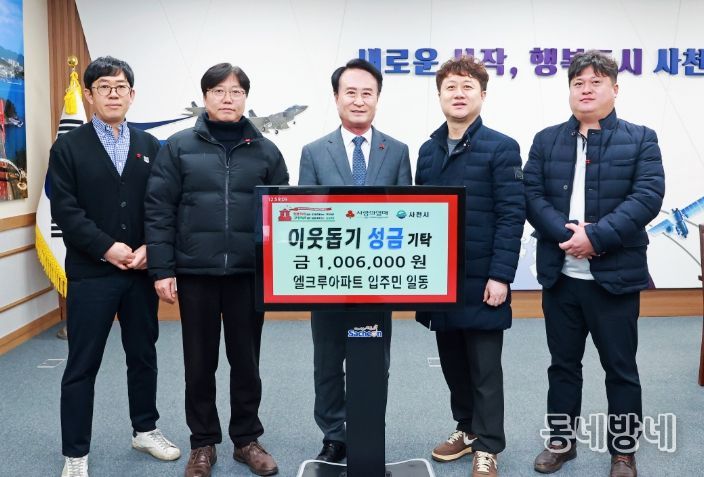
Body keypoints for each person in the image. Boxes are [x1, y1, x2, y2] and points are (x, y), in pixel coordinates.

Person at [523, 50, 665, 477]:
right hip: (561, 276)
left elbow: (647, 197)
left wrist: (596, 238)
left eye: (595, 81)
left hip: (614, 277)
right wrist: (567, 236)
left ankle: (623, 451)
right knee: (562, 366)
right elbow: (531, 195)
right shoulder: (546, 140)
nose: (585, 89)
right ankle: (561, 442)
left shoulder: (641, 138)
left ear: (614, 89)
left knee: (620, 369)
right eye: (578, 82)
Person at [145, 63, 288, 477]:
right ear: (205, 96)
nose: (228, 98)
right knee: (198, 364)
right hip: (196, 274)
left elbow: (283, 215)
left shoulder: (266, 151)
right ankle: (203, 443)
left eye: (236, 91)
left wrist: (278, 273)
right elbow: (159, 209)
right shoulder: (178, 147)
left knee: (246, 364)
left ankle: (246, 440)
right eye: (219, 91)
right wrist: (162, 268)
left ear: (246, 98)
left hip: (248, 275)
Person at [50, 56, 180, 477]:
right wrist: (107, 248)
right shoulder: (68, 147)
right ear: (89, 95)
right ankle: (75, 452)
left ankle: (145, 429)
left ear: (132, 94)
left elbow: (163, 204)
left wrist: (149, 249)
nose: (113, 93)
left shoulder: (150, 146)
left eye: (120, 86)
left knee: (143, 355)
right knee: (82, 364)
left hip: (140, 272)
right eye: (103, 87)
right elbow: (65, 210)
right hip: (92, 273)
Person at [414, 56, 525, 477]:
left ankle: (489, 444)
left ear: (482, 94)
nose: (458, 94)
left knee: (484, 368)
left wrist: (501, 276)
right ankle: (466, 428)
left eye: (467, 87)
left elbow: (512, 215)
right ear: (439, 95)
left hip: (482, 278)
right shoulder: (428, 151)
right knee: (453, 363)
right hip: (440, 279)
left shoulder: (501, 147)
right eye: (450, 87)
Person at [298, 58, 412, 462]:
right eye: (351, 92)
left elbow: (407, 215)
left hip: (378, 281)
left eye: (368, 93)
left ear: (377, 98)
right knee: (328, 362)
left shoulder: (397, 151)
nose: (359, 100)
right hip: (327, 281)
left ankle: (368, 427)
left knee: (375, 361)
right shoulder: (314, 152)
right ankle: (334, 433)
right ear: (336, 98)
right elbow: (306, 218)